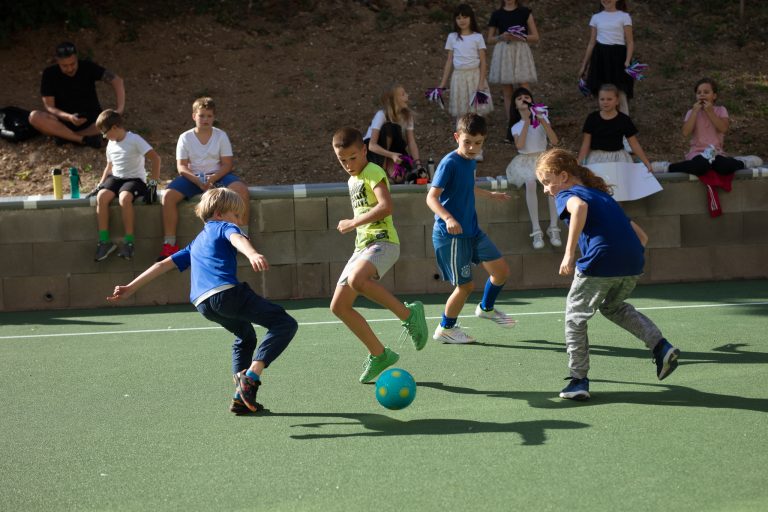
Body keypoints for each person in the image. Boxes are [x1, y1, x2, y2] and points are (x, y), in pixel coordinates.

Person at [107, 188, 298, 414]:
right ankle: (251, 376)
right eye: (235, 215)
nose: (238, 221)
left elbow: (162, 265)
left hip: (203, 304)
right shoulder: (225, 227)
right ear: (219, 213)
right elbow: (237, 238)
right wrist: (252, 253)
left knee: (245, 336)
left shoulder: (196, 243)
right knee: (284, 324)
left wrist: (131, 287)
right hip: (226, 294)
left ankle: (240, 397)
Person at [535, 148, 680, 400]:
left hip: (600, 262)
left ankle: (578, 380)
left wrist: (569, 253)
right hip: (632, 262)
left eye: (547, 182)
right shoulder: (602, 196)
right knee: (613, 307)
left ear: (563, 176)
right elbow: (641, 236)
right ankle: (660, 346)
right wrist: (624, 256)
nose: (546, 190)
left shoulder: (568, 193)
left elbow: (578, 208)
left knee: (575, 318)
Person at [330, 127, 429, 383]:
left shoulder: (373, 171)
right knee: (339, 306)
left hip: (383, 241)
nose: (349, 165)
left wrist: (353, 222)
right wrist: (356, 226)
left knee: (357, 281)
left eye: (353, 157)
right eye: (343, 160)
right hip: (363, 247)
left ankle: (409, 315)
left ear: (364, 150)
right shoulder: (352, 180)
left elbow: (386, 207)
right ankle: (379, 354)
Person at [426, 113, 516, 345]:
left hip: (472, 231)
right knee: (465, 286)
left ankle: (486, 308)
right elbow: (431, 197)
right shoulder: (449, 163)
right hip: (452, 236)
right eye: (467, 142)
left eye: (478, 143)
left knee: (501, 271)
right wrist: (448, 218)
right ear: (457, 137)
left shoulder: (470, 161)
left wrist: (490, 194)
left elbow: (468, 186)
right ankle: (445, 328)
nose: (472, 147)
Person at [158, 97, 251, 260]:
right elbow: (181, 167)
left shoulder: (221, 136)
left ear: (214, 117)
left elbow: (227, 165)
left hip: (218, 175)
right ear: (194, 116)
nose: (205, 119)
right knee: (168, 196)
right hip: (192, 178)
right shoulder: (185, 137)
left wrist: (212, 178)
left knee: (241, 190)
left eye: (209, 116)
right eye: (202, 115)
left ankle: (242, 237)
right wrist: (197, 180)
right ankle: (169, 245)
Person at [653, 78, 763, 174]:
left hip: (716, 152)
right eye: (699, 92)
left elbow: (723, 128)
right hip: (697, 153)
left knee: (723, 167)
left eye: (706, 92)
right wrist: (695, 112)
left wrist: (710, 112)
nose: (702, 94)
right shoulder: (691, 112)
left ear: (714, 96)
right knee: (701, 166)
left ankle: (743, 162)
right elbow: (685, 132)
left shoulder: (720, 110)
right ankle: (667, 167)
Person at [28, 41, 125, 149]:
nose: (70, 69)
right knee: (34, 117)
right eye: (64, 66)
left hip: (93, 121)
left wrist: (119, 109)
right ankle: (82, 140)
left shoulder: (87, 66)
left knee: (110, 121)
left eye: (73, 64)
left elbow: (117, 80)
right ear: (57, 61)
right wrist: (69, 117)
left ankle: (67, 137)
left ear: (76, 58)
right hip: (64, 122)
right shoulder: (49, 74)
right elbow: (49, 106)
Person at [93, 110, 160, 262]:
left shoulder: (134, 139)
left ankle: (129, 241)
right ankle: (104, 241)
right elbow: (109, 166)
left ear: (115, 127)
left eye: (105, 132)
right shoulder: (111, 143)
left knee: (124, 198)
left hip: (135, 179)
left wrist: (153, 185)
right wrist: (101, 184)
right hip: (117, 178)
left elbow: (156, 159)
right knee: (102, 197)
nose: (104, 136)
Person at [505, 87, 561, 249]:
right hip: (525, 160)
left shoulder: (542, 120)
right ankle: (536, 229)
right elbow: (520, 145)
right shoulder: (516, 126)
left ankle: (553, 226)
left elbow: (554, 141)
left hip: (543, 158)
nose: (524, 99)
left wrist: (542, 120)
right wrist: (527, 122)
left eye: (527, 97)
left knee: (551, 185)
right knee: (530, 182)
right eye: (519, 98)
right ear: (515, 105)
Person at [437, 4, 493, 125]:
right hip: (458, 78)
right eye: (458, 18)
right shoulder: (452, 37)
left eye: (465, 17)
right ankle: (462, 138)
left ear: (471, 18)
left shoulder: (477, 37)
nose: (462, 20)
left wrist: (481, 83)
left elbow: (483, 62)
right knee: (461, 112)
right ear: (455, 20)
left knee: (477, 111)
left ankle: (478, 137)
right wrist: (442, 84)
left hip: (475, 77)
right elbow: (449, 61)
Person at [486, 0, 540, 124]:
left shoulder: (525, 12)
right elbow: (489, 39)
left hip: (520, 51)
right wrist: (502, 37)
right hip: (504, 52)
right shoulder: (497, 14)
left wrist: (519, 36)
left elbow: (536, 37)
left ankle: (529, 120)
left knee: (524, 87)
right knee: (507, 90)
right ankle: (512, 123)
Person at [578, 0, 635, 115]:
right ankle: (606, 124)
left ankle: (624, 125)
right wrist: (584, 65)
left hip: (619, 57)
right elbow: (591, 43)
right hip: (600, 58)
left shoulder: (624, 16)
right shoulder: (596, 17)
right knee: (603, 92)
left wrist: (628, 60)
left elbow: (630, 42)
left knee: (620, 92)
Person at [577, 84, 651, 171]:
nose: (605, 102)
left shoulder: (624, 119)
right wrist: (578, 163)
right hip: (596, 159)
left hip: (619, 159)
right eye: (602, 99)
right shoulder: (592, 118)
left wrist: (646, 162)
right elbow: (586, 144)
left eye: (609, 99)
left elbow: (634, 144)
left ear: (617, 101)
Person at [363, 84, 423, 183]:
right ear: (393, 100)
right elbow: (371, 146)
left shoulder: (407, 116)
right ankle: (382, 170)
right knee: (390, 127)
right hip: (373, 151)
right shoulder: (381, 115)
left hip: (392, 150)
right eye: (403, 94)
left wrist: (418, 164)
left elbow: (411, 142)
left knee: (399, 177)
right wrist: (391, 155)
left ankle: (390, 172)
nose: (407, 96)